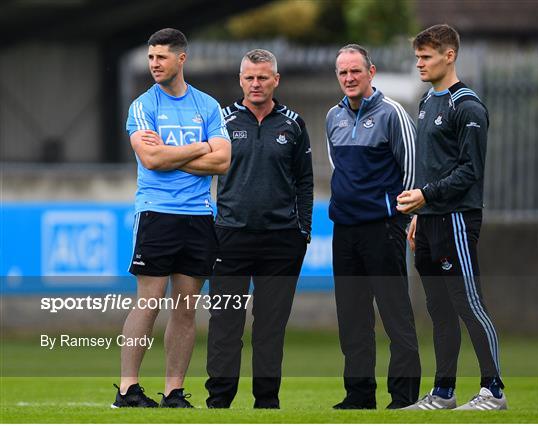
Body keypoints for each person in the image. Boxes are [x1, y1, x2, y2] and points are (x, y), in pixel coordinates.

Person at [112, 28, 231, 408]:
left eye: (161, 57)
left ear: (182, 59)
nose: (154, 64)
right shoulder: (143, 106)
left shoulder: (208, 106)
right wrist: (199, 148)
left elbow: (224, 161)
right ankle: (128, 389)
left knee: (185, 306)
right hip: (156, 212)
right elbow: (151, 160)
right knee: (148, 301)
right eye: (150, 58)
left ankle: (173, 392)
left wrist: (173, 152)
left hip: (198, 215)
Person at [397, 24, 507, 410]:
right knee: (438, 309)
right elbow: (430, 165)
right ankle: (443, 392)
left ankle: (493, 390)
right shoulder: (427, 101)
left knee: (469, 304)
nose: (420, 64)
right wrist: (418, 212)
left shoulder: (468, 106)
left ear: (450, 55)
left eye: (426, 57)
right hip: (428, 221)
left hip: (457, 219)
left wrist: (425, 195)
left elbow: (469, 171)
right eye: (417, 58)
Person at [205, 49, 313, 409]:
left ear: (276, 80)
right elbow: (202, 172)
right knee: (225, 324)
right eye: (250, 77)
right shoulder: (221, 121)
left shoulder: (294, 124)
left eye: (263, 77)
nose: (256, 83)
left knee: (270, 327)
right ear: (240, 80)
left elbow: (305, 182)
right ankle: (219, 401)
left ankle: (267, 402)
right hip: (230, 237)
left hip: (282, 241)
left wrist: (304, 232)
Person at [326, 44, 421, 410]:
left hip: (383, 229)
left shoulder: (393, 114)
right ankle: (359, 395)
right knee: (352, 317)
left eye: (355, 71)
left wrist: (406, 219)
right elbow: (340, 168)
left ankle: (403, 398)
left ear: (371, 72)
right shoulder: (332, 117)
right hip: (344, 231)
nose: (349, 78)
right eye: (343, 72)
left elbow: (411, 172)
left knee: (396, 314)